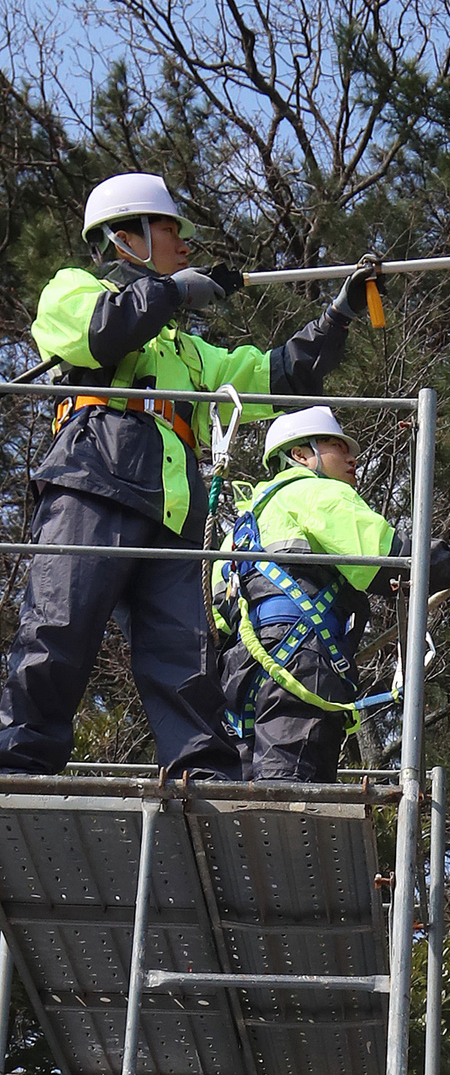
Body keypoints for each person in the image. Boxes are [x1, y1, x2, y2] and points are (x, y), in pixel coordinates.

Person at [0, 171, 382, 777]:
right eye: (172, 233)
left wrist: (337, 317)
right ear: (128, 237)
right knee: (59, 627)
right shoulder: (70, 291)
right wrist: (173, 292)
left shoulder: (188, 352)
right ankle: (23, 758)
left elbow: (278, 377)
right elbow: (104, 332)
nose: (185, 247)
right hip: (94, 482)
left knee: (185, 654)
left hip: (175, 512)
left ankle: (200, 772)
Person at [216, 407, 450, 781]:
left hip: (242, 668)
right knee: (290, 785)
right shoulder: (314, 491)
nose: (353, 458)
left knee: (243, 789)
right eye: (337, 446)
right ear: (301, 454)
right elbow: (391, 559)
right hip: (299, 660)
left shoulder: (243, 524)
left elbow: (216, 612)